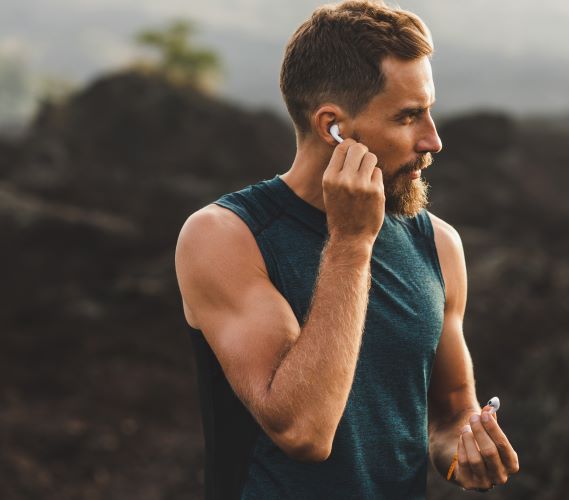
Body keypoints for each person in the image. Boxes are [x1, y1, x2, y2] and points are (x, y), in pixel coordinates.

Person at [175, 1, 519, 498]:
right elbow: (303, 431)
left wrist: (464, 454)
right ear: (333, 127)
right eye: (408, 117)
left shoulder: (439, 243)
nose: (434, 140)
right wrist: (351, 242)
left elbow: (449, 415)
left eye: (430, 112)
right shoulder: (225, 237)